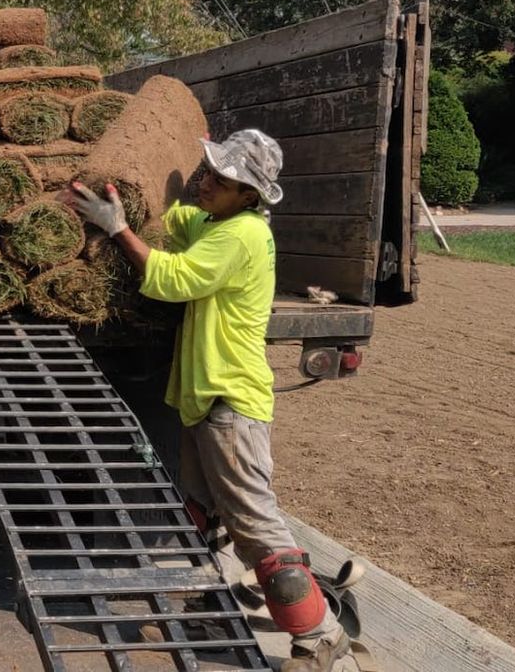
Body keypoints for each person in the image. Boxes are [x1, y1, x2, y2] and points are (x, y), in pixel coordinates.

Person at [68, 129, 351, 672]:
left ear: (251, 196)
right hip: (206, 397)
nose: (206, 184)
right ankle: (207, 614)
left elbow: (174, 278)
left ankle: (319, 637)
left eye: (222, 182)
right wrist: (132, 195)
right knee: (203, 514)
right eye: (208, 174)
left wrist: (117, 228)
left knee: (255, 522)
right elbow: (178, 222)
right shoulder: (218, 221)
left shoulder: (240, 235)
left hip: (231, 399)